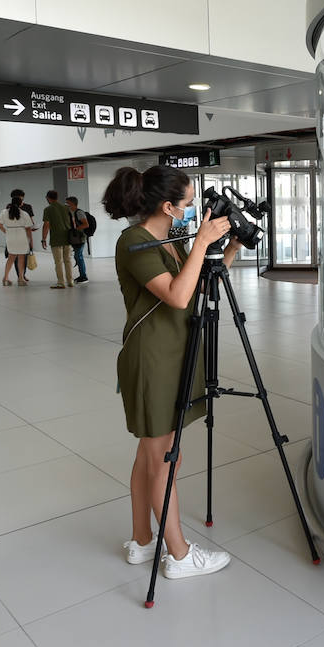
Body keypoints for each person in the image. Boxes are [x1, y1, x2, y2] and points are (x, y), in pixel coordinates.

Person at [107, 163, 240, 579]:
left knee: (150, 456)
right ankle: (180, 556)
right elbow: (178, 297)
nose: (193, 210)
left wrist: (230, 246)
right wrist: (200, 241)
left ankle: (142, 540)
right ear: (168, 206)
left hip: (173, 356)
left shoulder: (173, 242)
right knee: (164, 459)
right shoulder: (135, 241)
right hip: (152, 361)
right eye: (188, 203)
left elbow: (198, 286)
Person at [0, 190, 35, 286]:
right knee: (21, 258)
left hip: (10, 237)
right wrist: (30, 240)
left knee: (11, 257)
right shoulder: (24, 214)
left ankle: (5, 278)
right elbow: (28, 229)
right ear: (21, 203)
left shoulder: (4, 212)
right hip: (22, 237)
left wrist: (6, 232)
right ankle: (21, 279)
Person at [40, 189, 74, 289]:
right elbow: (73, 222)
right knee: (68, 260)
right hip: (68, 238)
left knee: (58, 262)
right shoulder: (66, 208)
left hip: (56, 239)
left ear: (48, 198)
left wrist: (43, 239)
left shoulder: (48, 209)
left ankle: (61, 282)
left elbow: (46, 225)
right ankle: (70, 281)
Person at [66, 195, 90, 283]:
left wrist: (75, 229)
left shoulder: (79, 212)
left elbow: (86, 224)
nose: (66, 205)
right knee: (77, 256)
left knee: (78, 256)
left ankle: (84, 277)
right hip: (76, 238)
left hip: (80, 238)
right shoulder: (71, 213)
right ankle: (82, 275)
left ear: (72, 204)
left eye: (68, 203)